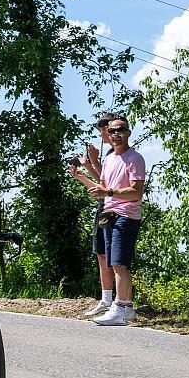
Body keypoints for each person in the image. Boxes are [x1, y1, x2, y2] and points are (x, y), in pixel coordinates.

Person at [87, 117, 145, 326]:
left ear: (128, 133)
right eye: (111, 132)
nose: (115, 135)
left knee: (120, 264)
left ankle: (120, 309)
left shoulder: (135, 158)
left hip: (126, 216)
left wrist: (109, 191)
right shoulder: (110, 159)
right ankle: (126, 308)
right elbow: (102, 186)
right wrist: (85, 177)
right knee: (114, 263)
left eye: (120, 130)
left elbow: (136, 192)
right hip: (109, 215)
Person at [69, 113, 120, 317]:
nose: (101, 134)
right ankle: (106, 299)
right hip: (104, 205)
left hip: (111, 206)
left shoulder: (116, 154)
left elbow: (106, 183)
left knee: (112, 256)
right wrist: (87, 166)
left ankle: (117, 301)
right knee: (101, 253)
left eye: (103, 129)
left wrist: (90, 164)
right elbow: (102, 180)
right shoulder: (109, 153)